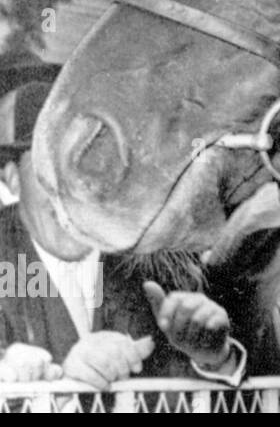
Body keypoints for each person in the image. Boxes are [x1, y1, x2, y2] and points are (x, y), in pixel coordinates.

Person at [0, 82, 247, 390]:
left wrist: (216, 360)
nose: (74, 190)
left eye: (90, 161)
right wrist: (55, 377)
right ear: (12, 180)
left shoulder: (159, 258)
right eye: (48, 168)